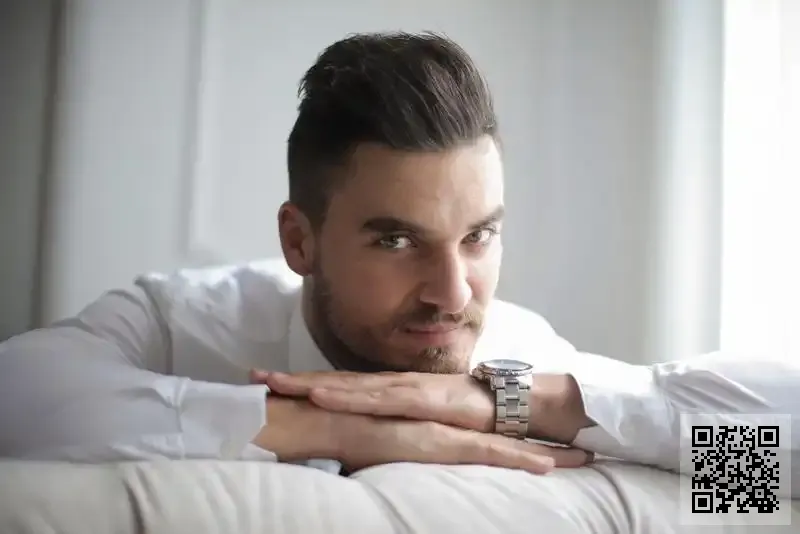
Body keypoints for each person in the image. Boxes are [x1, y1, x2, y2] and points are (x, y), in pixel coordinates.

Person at [0, 32, 797, 496]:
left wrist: (526, 404)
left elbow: (769, 471)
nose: (453, 294)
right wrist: (328, 427)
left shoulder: (523, 361)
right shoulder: (182, 324)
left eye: (479, 237)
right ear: (299, 241)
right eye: (396, 241)